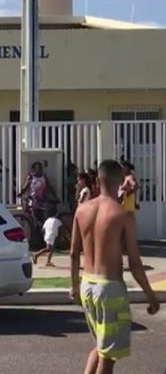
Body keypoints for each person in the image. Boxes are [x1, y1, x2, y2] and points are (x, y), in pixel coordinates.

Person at [70, 160, 159, 374]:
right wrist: (151, 297)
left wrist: (73, 286)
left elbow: (73, 253)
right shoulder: (123, 215)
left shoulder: (81, 210)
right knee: (108, 357)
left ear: (98, 180)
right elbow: (135, 264)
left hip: (87, 286)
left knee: (100, 348)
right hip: (109, 289)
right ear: (119, 181)